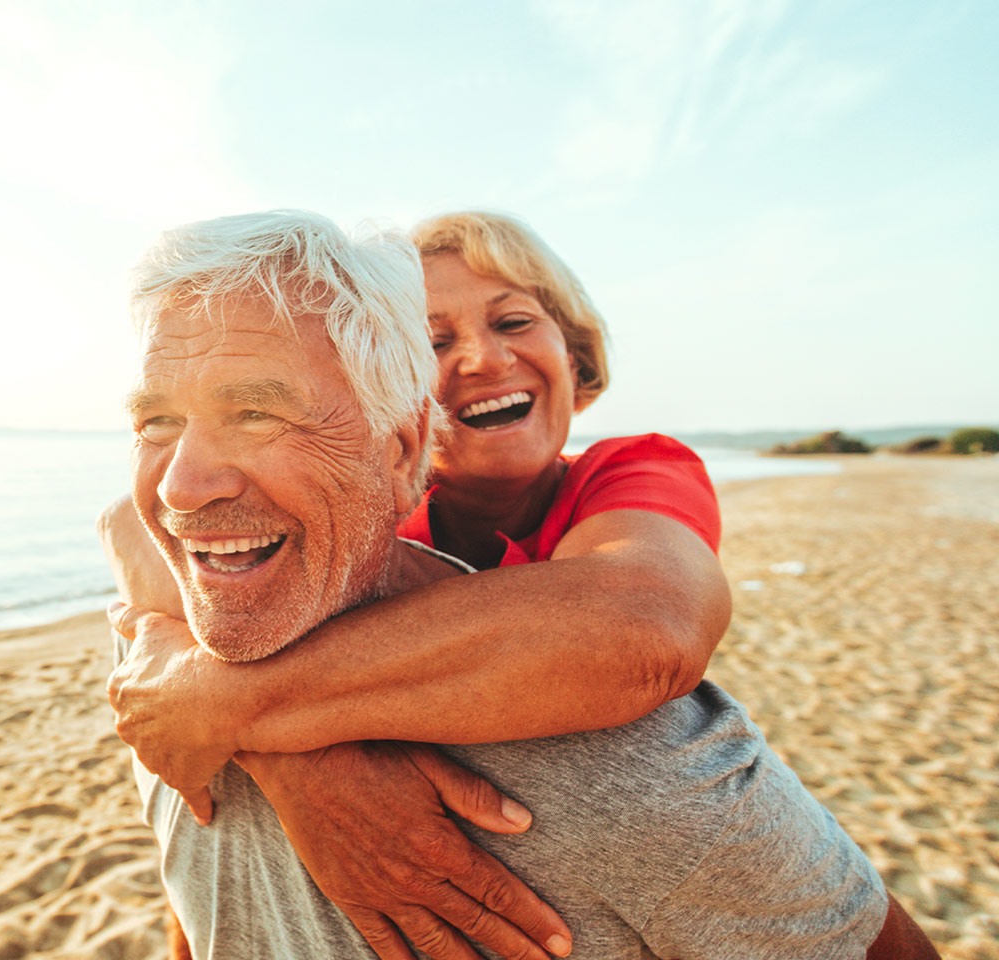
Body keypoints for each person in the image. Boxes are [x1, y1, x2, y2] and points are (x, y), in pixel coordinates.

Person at [108, 209, 935, 959]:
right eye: (434, 341)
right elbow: (130, 524)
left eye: (512, 321)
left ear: (574, 355)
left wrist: (228, 702)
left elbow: (644, 628)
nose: (480, 357)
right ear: (405, 398)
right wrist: (302, 765)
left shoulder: (627, 476)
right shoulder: (350, 520)